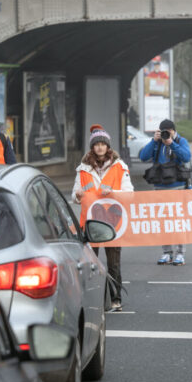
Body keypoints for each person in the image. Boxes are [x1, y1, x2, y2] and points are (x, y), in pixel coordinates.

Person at [72, 125, 134, 312]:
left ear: (108, 147)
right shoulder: (82, 169)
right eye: (96, 144)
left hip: (112, 224)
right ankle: (92, 300)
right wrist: (78, 194)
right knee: (91, 264)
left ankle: (115, 299)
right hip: (90, 225)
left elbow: (129, 194)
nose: (100, 147)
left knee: (113, 264)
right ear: (92, 147)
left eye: (103, 144)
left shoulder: (119, 167)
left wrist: (113, 193)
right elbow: (74, 197)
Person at [139, 119, 192, 265]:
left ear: (174, 131)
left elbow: (186, 157)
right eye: (164, 131)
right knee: (163, 222)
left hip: (178, 187)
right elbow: (143, 157)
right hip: (159, 187)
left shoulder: (181, 141)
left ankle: (180, 253)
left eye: (169, 131)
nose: (167, 134)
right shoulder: (157, 143)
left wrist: (171, 143)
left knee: (178, 222)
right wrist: (153, 141)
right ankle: (167, 252)